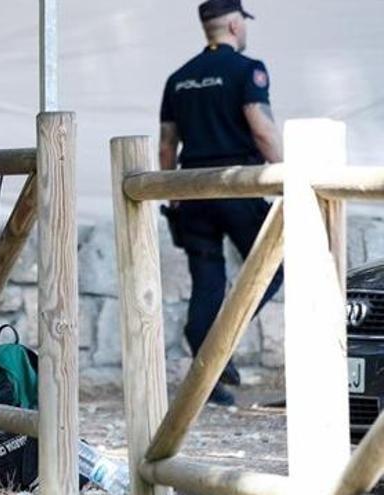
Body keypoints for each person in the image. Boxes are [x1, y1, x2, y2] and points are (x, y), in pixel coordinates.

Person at [158, 0, 284, 406]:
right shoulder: (248, 70)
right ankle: (220, 343)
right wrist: (288, 175)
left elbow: (166, 145)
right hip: (237, 185)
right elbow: (261, 129)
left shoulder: (178, 78)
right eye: (242, 24)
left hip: (193, 190)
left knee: (207, 280)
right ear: (233, 25)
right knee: (274, 266)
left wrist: (174, 194)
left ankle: (206, 364)